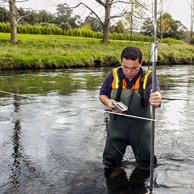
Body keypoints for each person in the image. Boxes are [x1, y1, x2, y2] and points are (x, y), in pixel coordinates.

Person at [99, 46, 162, 169]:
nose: (129, 72)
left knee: (147, 165)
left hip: (141, 132)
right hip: (115, 131)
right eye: (125, 67)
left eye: (134, 68)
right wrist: (107, 102)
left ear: (141, 63)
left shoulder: (149, 76)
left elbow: (156, 94)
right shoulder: (112, 75)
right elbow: (102, 94)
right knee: (109, 164)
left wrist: (157, 98)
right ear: (121, 62)